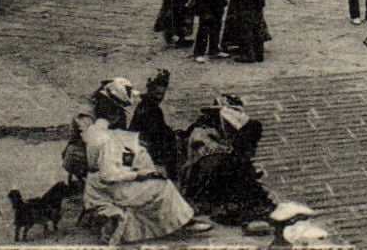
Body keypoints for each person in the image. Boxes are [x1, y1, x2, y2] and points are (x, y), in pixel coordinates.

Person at [81, 78, 207, 243]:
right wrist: (138, 175)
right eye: (119, 111)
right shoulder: (105, 139)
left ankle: (176, 218)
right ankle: (183, 222)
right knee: (161, 184)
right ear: (113, 113)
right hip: (110, 188)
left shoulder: (94, 130)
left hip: (96, 184)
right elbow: (109, 174)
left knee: (144, 159)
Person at [180, 93, 274, 227]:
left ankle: (254, 205)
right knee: (237, 169)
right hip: (201, 181)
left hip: (214, 174)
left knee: (241, 170)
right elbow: (209, 162)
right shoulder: (202, 131)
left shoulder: (219, 131)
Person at [126, 69, 179, 182]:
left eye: (162, 94)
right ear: (150, 91)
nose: (159, 98)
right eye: (157, 93)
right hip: (145, 152)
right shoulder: (150, 110)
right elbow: (156, 137)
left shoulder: (146, 105)